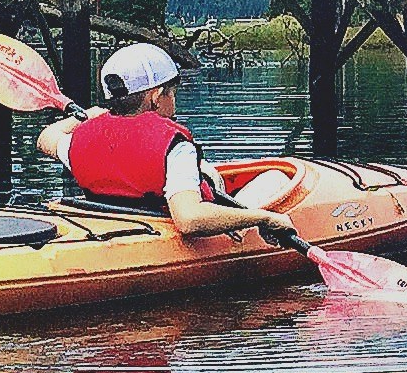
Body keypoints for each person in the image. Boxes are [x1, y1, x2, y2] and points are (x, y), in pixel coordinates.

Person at [37, 41, 305, 249]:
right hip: (161, 224)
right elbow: (188, 220)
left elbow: (46, 138)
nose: (174, 100)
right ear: (155, 97)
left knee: (207, 172)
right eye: (171, 91)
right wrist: (264, 218)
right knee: (275, 177)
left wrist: (88, 116)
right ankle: (243, 227)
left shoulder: (81, 139)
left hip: (111, 218)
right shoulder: (174, 144)